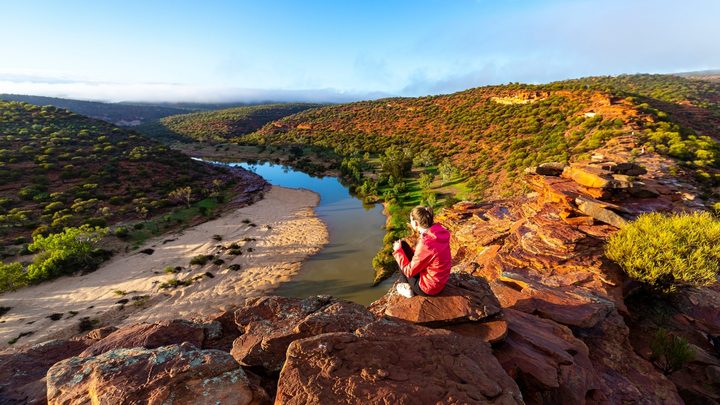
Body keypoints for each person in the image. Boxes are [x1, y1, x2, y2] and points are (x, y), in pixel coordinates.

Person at [392, 206, 452, 298]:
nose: (410, 222)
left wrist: (398, 252)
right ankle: (406, 284)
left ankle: (406, 287)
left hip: (428, 288)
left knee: (400, 250)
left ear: (416, 223)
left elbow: (409, 272)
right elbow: (427, 256)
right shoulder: (440, 232)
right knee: (403, 245)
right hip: (441, 282)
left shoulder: (426, 243)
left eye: (411, 220)